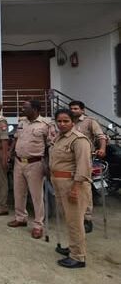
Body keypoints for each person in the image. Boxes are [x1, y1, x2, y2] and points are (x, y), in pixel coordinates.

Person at [50, 108, 92, 269]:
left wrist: (75, 188)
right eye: (59, 121)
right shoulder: (59, 138)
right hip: (60, 183)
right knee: (69, 219)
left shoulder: (79, 140)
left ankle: (78, 257)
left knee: (75, 221)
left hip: (73, 185)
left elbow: (83, 167)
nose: (62, 124)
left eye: (66, 121)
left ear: (73, 122)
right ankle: (73, 248)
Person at [7, 100, 56, 238]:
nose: (23, 110)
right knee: (18, 192)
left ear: (35, 109)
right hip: (19, 162)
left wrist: (48, 164)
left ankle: (38, 225)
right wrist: (10, 153)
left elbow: (50, 145)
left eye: (26, 108)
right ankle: (21, 218)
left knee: (36, 196)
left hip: (35, 164)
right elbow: (16, 139)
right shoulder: (22, 122)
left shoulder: (46, 124)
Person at [69, 100, 107, 233]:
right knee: (71, 187)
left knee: (84, 187)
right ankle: (75, 216)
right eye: (71, 108)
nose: (73, 111)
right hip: (69, 159)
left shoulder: (90, 121)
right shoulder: (67, 121)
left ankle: (87, 219)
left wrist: (102, 149)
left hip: (85, 158)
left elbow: (101, 136)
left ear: (82, 110)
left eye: (75, 108)